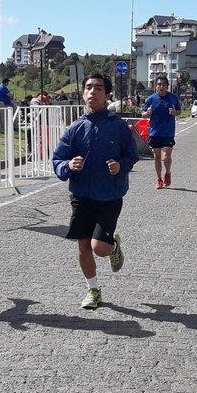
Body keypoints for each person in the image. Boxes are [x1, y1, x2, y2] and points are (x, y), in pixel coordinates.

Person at [52, 73, 138, 310]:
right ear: (83, 94)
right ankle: (94, 290)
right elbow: (58, 159)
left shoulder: (119, 126)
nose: (92, 92)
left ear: (108, 95)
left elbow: (132, 154)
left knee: (98, 248)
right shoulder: (75, 128)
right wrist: (68, 166)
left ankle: (113, 246)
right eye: (88, 88)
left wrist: (121, 166)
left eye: (98, 88)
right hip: (81, 196)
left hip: (109, 195)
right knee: (82, 246)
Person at [141, 75, 182, 189]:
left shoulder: (173, 98)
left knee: (166, 156)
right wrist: (148, 113)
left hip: (168, 132)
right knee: (157, 156)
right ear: (155, 86)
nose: (161, 86)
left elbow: (179, 111)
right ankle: (159, 179)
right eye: (159, 84)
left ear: (167, 86)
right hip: (155, 132)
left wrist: (175, 112)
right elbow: (143, 114)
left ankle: (167, 173)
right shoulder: (151, 99)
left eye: (163, 84)